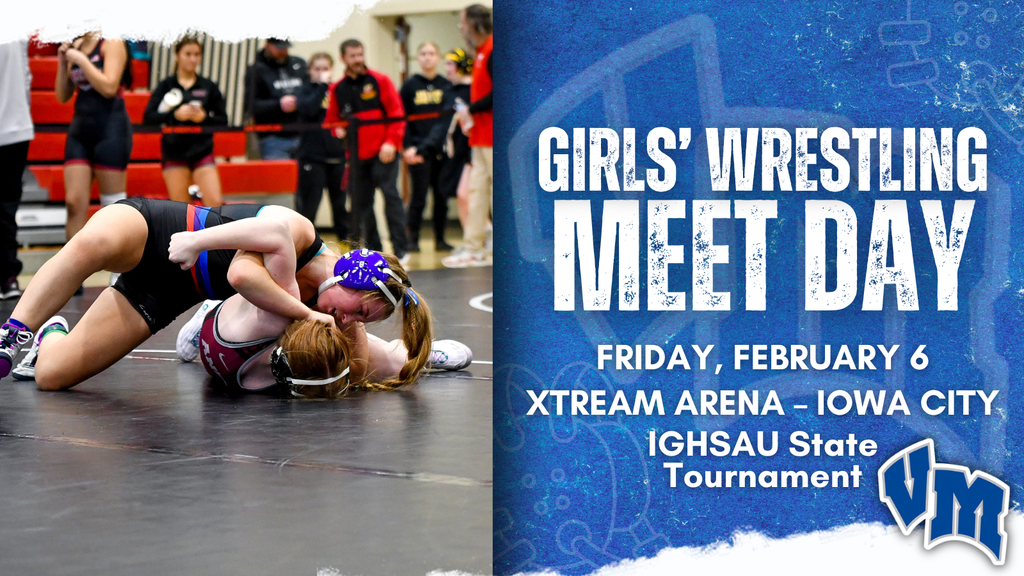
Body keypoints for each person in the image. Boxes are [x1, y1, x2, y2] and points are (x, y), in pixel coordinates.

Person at [0, 199, 430, 390]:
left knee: (51, 377)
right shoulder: (301, 232)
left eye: (364, 322)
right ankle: (16, 330)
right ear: (348, 279)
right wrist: (306, 313)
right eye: (360, 312)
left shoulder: (328, 306)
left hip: (164, 295)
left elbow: (363, 356)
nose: (350, 322)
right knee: (92, 245)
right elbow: (243, 273)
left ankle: (50, 334)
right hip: (159, 230)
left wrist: (410, 356)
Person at [326, 39, 410, 262]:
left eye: (360, 55)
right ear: (343, 58)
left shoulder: (379, 80)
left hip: (384, 153)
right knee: (363, 206)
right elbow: (332, 119)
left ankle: (402, 251)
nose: (358, 60)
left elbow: (397, 114)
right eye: (353, 56)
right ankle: (376, 252)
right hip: (356, 157)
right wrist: (338, 130)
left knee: (392, 198)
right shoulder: (337, 88)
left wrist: (392, 142)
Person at [55, 32, 133, 241]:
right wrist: (63, 63)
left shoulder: (112, 42)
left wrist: (80, 59)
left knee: (112, 208)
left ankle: (119, 273)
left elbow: (109, 87)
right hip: (80, 131)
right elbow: (62, 96)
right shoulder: (77, 44)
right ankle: (73, 271)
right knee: (73, 203)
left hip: (110, 131)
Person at [143, 36, 227, 206]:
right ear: (177, 55)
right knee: (181, 210)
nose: (193, 59)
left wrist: (204, 118)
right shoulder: (166, 85)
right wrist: (175, 116)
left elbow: (223, 120)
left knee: (215, 203)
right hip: (174, 153)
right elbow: (148, 118)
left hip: (202, 151)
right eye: (188, 54)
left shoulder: (208, 86)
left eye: (197, 54)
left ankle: (215, 233)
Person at [443, 5, 494, 268]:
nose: (461, 28)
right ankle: (475, 247)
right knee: (477, 193)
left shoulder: (496, 49)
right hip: (481, 136)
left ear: (474, 23)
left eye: (463, 22)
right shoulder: (481, 53)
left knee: (499, 195)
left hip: (497, 137)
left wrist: (469, 109)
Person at [400, 42, 454, 253]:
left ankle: (440, 239)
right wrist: (407, 147)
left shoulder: (446, 85)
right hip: (417, 153)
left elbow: (446, 122)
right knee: (418, 198)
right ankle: (412, 239)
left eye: (432, 53)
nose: (427, 57)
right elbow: (401, 118)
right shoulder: (410, 85)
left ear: (438, 57)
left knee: (441, 197)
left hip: (440, 150)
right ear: (417, 58)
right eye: (423, 53)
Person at [418, 48, 473, 237]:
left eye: (450, 64)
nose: (447, 69)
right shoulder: (450, 91)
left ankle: (480, 242)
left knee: (467, 196)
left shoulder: (473, 90)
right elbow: (442, 125)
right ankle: (473, 242)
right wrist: (425, 147)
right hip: (456, 152)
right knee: (461, 196)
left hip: (473, 151)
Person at [294, 52, 348, 242]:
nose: (321, 73)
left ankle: (347, 251)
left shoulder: (340, 90)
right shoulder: (305, 91)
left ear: (332, 69)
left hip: (338, 158)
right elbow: (307, 109)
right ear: (310, 71)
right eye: (317, 69)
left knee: (341, 209)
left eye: (325, 68)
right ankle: (304, 250)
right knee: (308, 210)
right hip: (312, 158)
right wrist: (323, 86)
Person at [0, 40, 34, 300]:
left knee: (7, 208)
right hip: (16, 124)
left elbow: (25, 74)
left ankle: (8, 275)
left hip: (14, 128)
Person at [244, 38, 307, 160]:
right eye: (278, 47)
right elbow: (251, 106)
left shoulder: (299, 64)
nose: (282, 51)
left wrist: (300, 101)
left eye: (285, 47)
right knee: (279, 177)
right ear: (268, 45)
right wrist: (278, 104)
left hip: (302, 134)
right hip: (273, 137)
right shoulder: (256, 70)